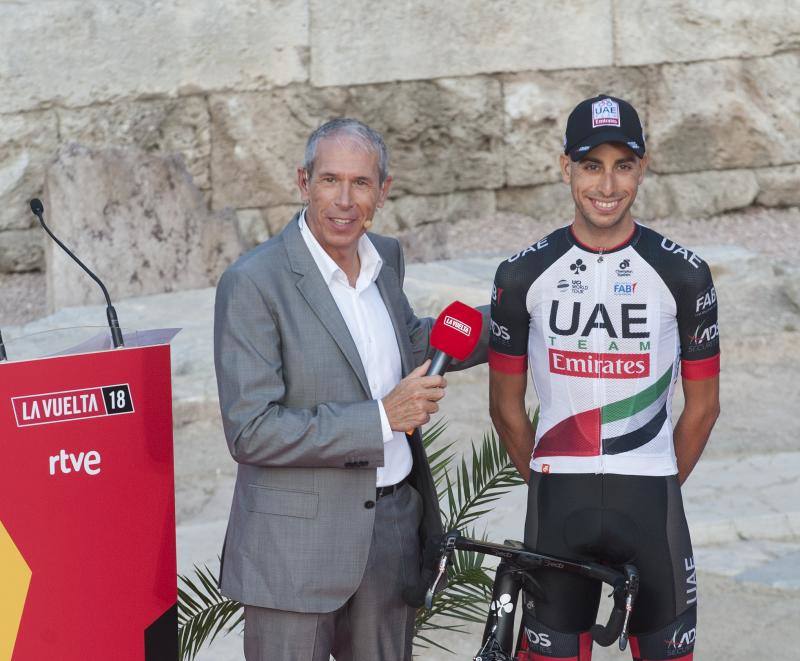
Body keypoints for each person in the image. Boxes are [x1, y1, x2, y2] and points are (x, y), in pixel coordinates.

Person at [214, 118, 487, 660]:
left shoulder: (383, 262)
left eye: (360, 183)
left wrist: (513, 314)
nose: (344, 200)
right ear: (303, 182)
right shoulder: (253, 282)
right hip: (294, 553)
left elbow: (409, 343)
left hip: (389, 534)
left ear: (383, 191)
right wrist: (382, 418)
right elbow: (251, 431)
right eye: (329, 180)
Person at [489, 95, 720, 661]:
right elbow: (504, 408)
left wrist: (655, 476)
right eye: (592, 165)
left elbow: (703, 407)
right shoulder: (521, 274)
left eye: (623, 165)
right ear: (565, 166)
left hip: (649, 499)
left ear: (642, 167)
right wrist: (552, 474)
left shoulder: (684, 274)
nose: (607, 185)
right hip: (558, 500)